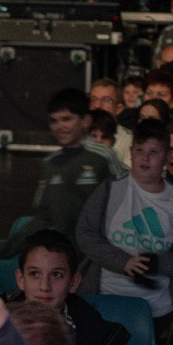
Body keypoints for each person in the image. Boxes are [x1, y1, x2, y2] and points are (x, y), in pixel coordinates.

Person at [76, 118, 173, 345]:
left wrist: (157, 263)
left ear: (165, 156)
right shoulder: (110, 190)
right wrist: (124, 262)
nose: (145, 158)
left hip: (156, 311)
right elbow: (85, 234)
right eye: (140, 150)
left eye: (153, 152)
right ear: (131, 153)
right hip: (106, 301)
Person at [32, 87, 115, 243]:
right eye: (54, 121)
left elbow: (125, 202)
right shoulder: (49, 164)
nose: (60, 126)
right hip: (62, 253)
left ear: (85, 121)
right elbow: (42, 217)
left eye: (66, 119)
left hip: (100, 252)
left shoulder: (102, 156)